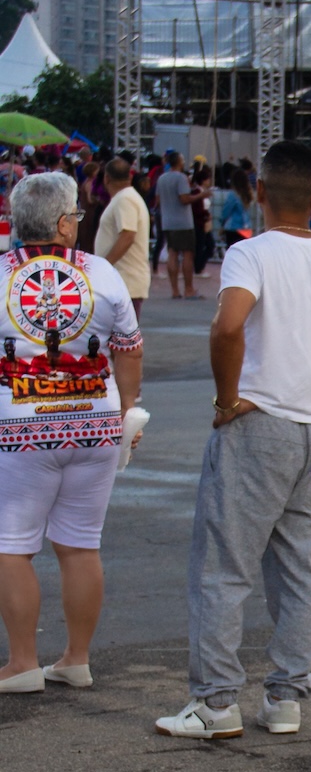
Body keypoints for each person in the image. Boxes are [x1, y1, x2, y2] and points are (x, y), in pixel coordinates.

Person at [155, 141, 311, 741]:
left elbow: (228, 325)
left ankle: (215, 702)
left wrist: (228, 399)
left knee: (223, 570)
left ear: (259, 191)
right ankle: (285, 697)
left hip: (257, 428)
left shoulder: (249, 253)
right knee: (300, 570)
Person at [0, 173, 143, 693]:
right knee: (81, 545)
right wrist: (128, 412)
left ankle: (22, 663)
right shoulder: (101, 272)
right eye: (77, 216)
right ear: (62, 224)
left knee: (11, 546)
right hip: (96, 424)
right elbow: (129, 350)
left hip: (20, 428)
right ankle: (75, 659)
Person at [93, 157, 151, 321]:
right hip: (121, 281)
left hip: (126, 281)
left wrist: (105, 265)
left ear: (106, 178)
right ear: (130, 176)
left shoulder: (125, 199)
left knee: (122, 334)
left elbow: (128, 235)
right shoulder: (125, 198)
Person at [155, 150, 203, 299]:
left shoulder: (162, 178)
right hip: (183, 222)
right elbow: (184, 199)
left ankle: (175, 290)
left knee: (172, 252)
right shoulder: (181, 178)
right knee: (188, 254)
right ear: (179, 162)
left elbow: (157, 200)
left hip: (167, 221)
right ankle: (189, 289)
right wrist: (202, 195)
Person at [220, 167, 254, 251]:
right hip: (246, 228)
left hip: (233, 228)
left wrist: (222, 224)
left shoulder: (233, 194)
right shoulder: (249, 194)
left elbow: (226, 212)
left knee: (233, 252)